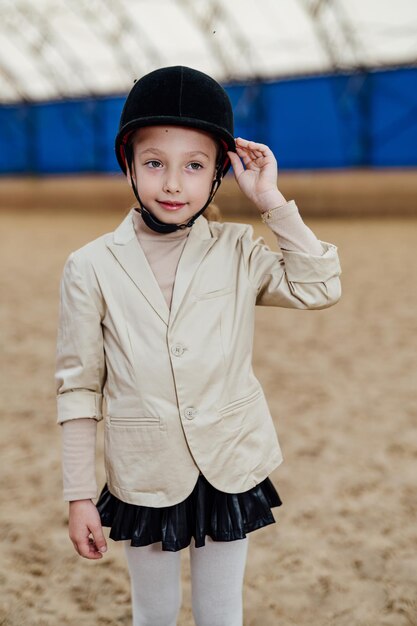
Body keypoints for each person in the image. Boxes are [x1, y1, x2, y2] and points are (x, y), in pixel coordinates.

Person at [55, 65, 342, 626]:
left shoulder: (238, 248)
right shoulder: (89, 266)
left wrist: (271, 201)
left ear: (216, 176)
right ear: (129, 165)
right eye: (155, 162)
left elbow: (319, 287)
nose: (172, 183)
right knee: (154, 614)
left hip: (229, 466)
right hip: (145, 473)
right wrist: (79, 494)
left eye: (194, 166)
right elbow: (79, 387)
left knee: (220, 614)